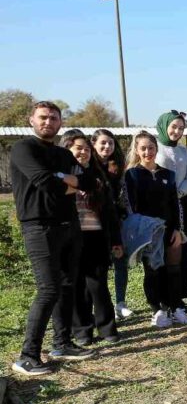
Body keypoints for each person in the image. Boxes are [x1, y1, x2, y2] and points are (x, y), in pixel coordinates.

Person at [10, 101, 98, 375]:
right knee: (48, 289)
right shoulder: (24, 149)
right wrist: (67, 181)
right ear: (32, 120)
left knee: (68, 284)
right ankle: (28, 356)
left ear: (61, 122)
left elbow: (89, 181)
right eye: (43, 117)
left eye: (54, 118)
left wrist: (62, 178)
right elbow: (43, 182)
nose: (48, 122)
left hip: (69, 225)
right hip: (40, 227)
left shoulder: (63, 154)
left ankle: (62, 343)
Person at [125, 132, 187, 328]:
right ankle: (157, 310)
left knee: (173, 269)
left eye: (151, 148)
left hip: (170, 230)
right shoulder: (132, 175)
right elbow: (132, 207)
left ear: (156, 149)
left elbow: (175, 204)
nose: (148, 152)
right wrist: (143, 231)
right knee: (153, 271)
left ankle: (176, 306)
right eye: (143, 148)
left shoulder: (167, 174)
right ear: (137, 151)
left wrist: (177, 230)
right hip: (148, 232)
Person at [62, 131, 122, 346]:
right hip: (71, 237)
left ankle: (107, 328)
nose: (83, 152)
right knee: (77, 285)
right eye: (78, 148)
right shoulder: (62, 174)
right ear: (68, 149)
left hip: (96, 236)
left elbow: (110, 211)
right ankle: (82, 331)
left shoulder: (98, 175)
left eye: (87, 149)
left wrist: (116, 240)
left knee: (98, 284)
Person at [155, 110, 187, 317]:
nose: (177, 131)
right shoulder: (154, 148)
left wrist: (180, 191)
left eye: (181, 128)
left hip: (180, 205)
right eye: (173, 127)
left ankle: (178, 295)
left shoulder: (183, 152)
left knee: (180, 249)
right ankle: (161, 298)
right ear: (164, 126)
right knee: (160, 251)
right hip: (158, 206)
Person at [92, 129, 132, 319]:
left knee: (120, 260)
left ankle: (120, 303)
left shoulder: (117, 168)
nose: (107, 147)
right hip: (94, 222)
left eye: (110, 143)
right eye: (103, 143)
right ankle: (99, 306)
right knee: (98, 267)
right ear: (94, 144)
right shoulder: (88, 167)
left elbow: (122, 196)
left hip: (115, 220)